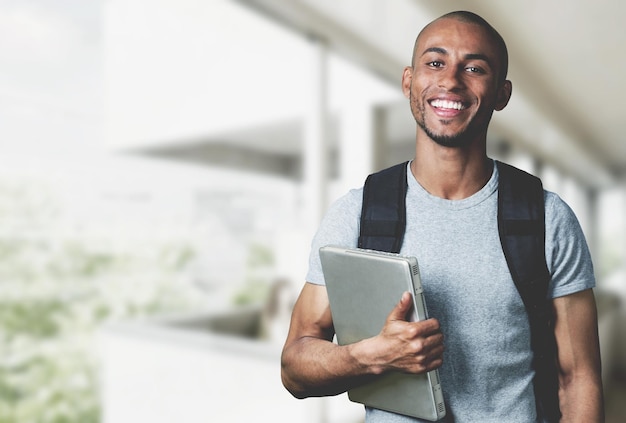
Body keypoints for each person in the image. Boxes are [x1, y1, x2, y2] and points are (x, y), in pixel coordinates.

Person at [281, 10, 604, 423]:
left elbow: (578, 379)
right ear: (408, 81)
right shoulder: (358, 214)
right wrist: (369, 357)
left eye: (474, 67)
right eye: (435, 63)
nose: (450, 80)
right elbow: (295, 368)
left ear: (501, 94)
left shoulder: (548, 218)